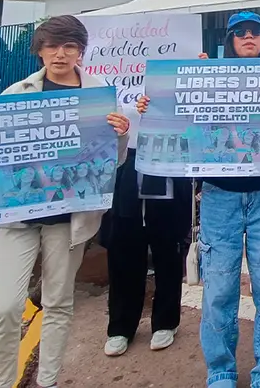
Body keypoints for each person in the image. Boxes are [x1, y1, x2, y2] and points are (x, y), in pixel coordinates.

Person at [0, 15, 131, 388]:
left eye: (69, 46)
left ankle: (48, 381)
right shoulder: (17, 92)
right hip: (18, 219)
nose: (60, 54)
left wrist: (121, 135)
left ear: (80, 51)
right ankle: (1, 382)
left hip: (70, 220)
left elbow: (115, 161)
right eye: (52, 46)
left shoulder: (100, 95)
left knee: (58, 303)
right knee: (5, 307)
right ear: (39, 50)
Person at [139, 11, 260, 388]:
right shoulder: (207, 79)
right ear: (229, 41)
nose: (249, 37)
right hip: (219, 197)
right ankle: (220, 371)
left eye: (255, 32)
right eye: (240, 33)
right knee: (218, 290)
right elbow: (175, 117)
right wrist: (153, 107)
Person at [101, 122, 194, 356]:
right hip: (125, 172)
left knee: (168, 252)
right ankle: (121, 327)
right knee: (123, 254)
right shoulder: (114, 96)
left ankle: (166, 322)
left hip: (166, 168)